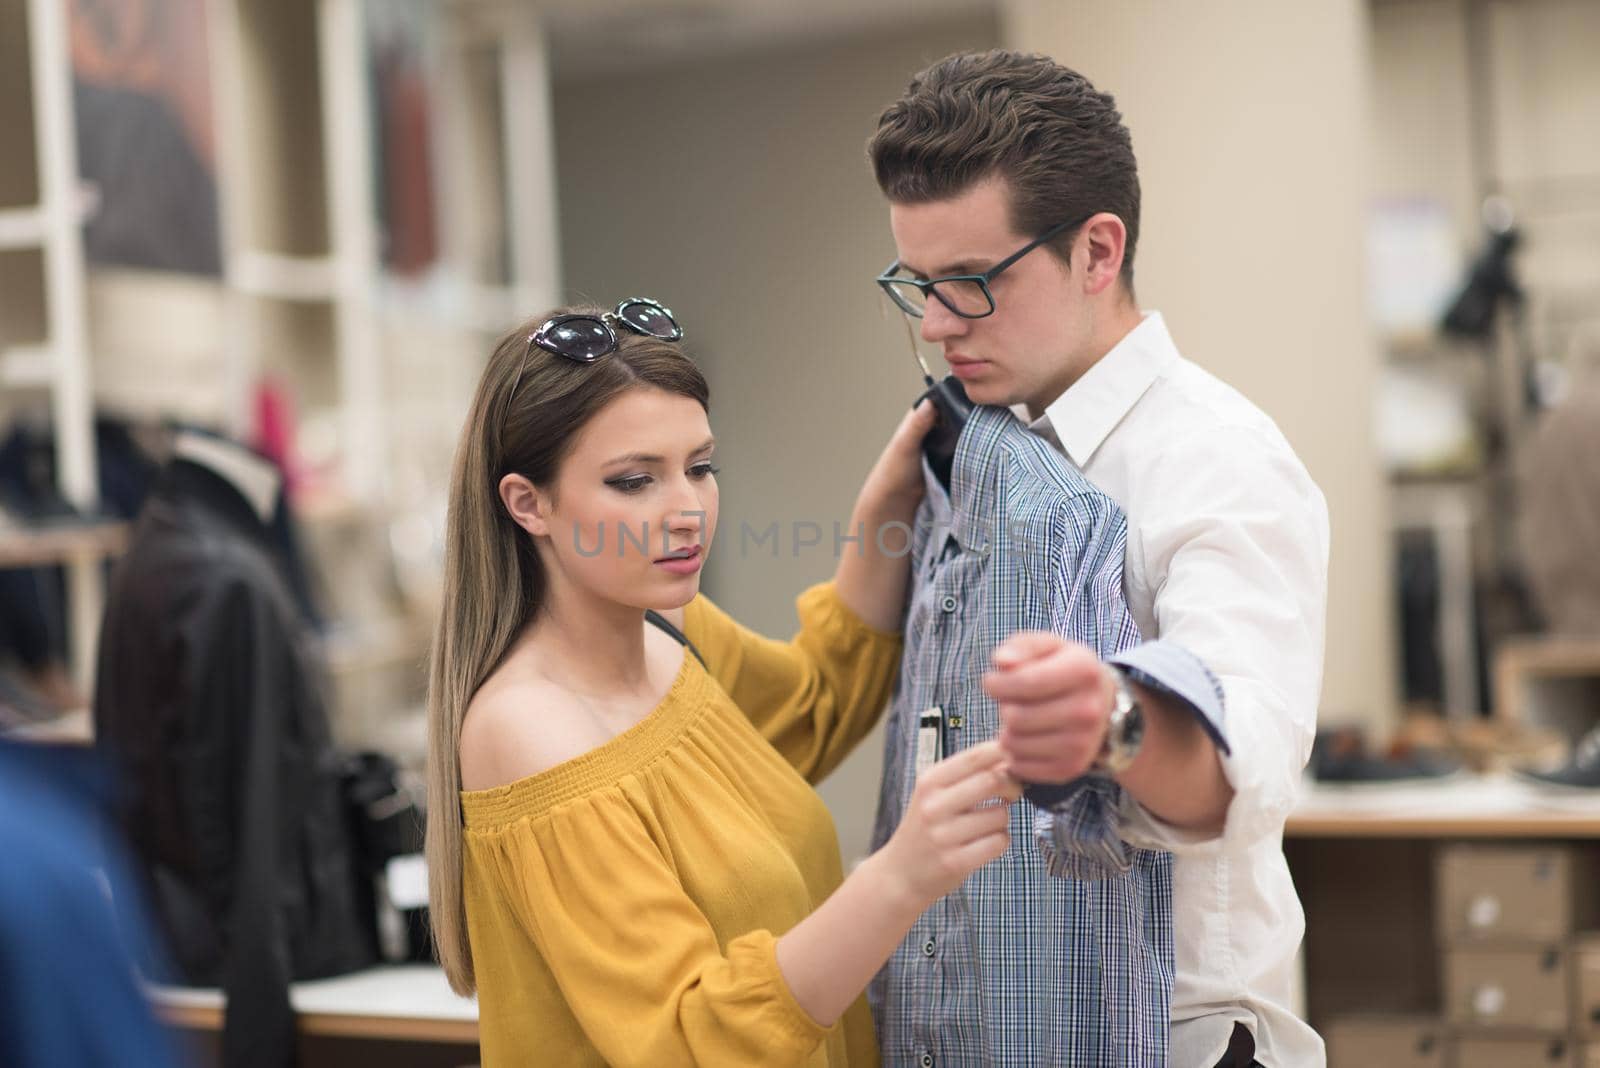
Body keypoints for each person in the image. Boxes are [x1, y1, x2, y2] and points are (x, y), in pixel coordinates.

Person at [866, 51, 1330, 1067]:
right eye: (919, 285)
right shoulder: (972, 447)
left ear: (1097, 250)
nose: (938, 326)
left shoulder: (1219, 464)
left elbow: (1237, 776)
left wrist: (1110, 722)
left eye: (972, 285)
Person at [423, 298, 1023, 1067]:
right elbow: (688, 1040)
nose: (687, 512)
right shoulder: (532, 732)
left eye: (701, 468)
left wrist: (887, 505)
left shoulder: (671, 634)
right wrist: (899, 881)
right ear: (527, 503)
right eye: (634, 481)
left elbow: (817, 703)